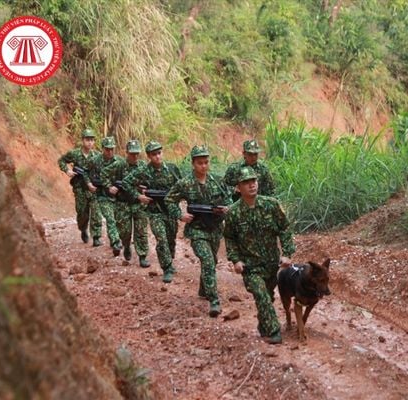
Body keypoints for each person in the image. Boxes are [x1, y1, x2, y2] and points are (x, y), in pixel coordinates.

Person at [223, 166, 295, 344]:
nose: (251, 185)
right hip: (250, 267)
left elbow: (285, 228)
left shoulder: (271, 205)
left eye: (253, 181)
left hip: (272, 264)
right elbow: (230, 238)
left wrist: (287, 253)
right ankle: (273, 331)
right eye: (246, 182)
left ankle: (263, 326)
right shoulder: (233, 212)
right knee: (261, 295)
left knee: (268, 297)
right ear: (238, 188)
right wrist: (236, 260)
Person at [165, 145, 232, 317]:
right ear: (193, 163)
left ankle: (204, 289)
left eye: (206, 162)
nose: (204, 166)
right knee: (208, 261)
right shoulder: (185, 183)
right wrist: (180, 214)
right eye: (200, 163)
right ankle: (214, 300)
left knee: (213, 261)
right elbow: (169, 200)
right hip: (197, 231)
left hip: (215, 229)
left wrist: (226, 209)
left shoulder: (218, 181)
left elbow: (230, 201)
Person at [121, 141, 181, 283]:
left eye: (159, 153)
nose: (157, 157)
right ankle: (166, 268)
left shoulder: (172, 169)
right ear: (148, 156)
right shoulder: (144, 171)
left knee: (171, 239)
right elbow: (126, 183)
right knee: (161, 239)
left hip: (171, 211)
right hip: (155, 212)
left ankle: (170, 260)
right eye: (154, 154)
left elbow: (183, 185)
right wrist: (139, 196)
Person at [100, 139, 150, 267]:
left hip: (139, 204)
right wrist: (109, 187)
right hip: (122, 204)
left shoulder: (143, 166)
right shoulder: (119, 165)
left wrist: (146, 189)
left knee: (141, 231)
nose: (134, 156)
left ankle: (142, 255)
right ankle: (127, 246)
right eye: (132, 153)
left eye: (136, 154)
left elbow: (150, 180)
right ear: (126, 152)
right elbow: (103, 173)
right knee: (124, 232)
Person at [58, 128, 102, 245]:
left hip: (93, 188)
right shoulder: (75, 154)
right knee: (82, 213)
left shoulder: (97, 155)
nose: (90, 142)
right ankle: (83, 229)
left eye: (92, 140)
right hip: (79, 188)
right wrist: (67, 170)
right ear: (83, 140)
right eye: (87, 140)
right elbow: (61, 161)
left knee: (96, 212)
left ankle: (96, 237)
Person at [83, 136, 123, 254]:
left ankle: (116, 238)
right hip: (100, 195)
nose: (110, 152)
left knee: (118, 219)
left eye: (112, 149)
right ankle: (115, 242)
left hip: (116, 196)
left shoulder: (120, 161)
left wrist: (118, 187)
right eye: (107, 149)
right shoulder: (95, 160)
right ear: (102, 149)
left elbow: (125, 177)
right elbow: (85, 171)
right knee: (109, 218)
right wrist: (89, 183)